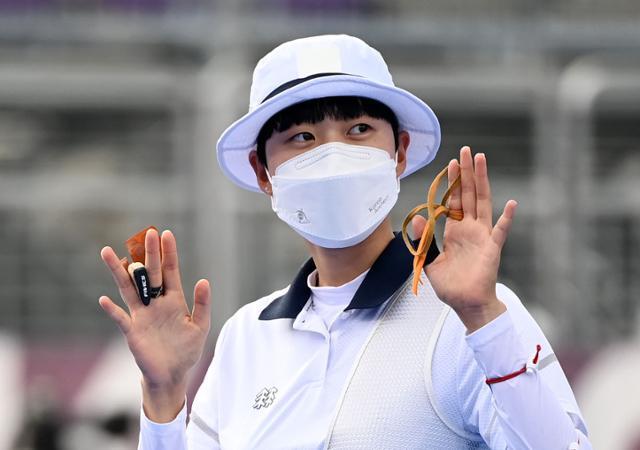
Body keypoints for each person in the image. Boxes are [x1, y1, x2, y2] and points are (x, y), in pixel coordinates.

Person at [99, 34, 591, 449]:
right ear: (263, 172)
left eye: (358, 129)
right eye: (302, 137)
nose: (333, 155)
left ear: (399, 152)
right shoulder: (245, 335)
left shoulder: (473, 318)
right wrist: (164, 395)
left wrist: (483, 319)